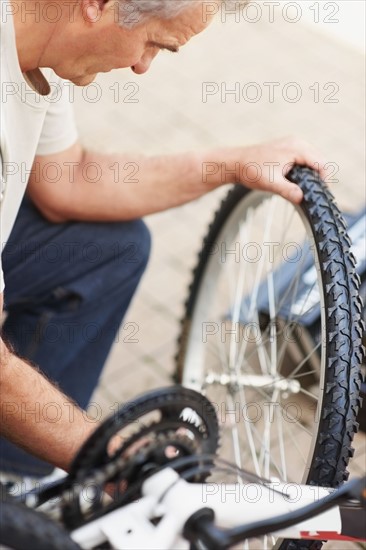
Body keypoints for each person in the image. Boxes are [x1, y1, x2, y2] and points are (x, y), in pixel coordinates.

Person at [0, 0, 327, 483]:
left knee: (110, 248)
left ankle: (13, 470)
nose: (141, 66)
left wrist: (231, 164)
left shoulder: (31, 44)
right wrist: (120, 462)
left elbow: (71, 179)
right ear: (97, 5)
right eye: (153, 42)